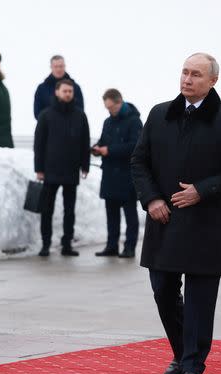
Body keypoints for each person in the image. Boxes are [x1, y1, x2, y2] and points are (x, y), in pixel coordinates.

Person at [131, 53, 221, 374]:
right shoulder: (159, 115)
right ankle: (181, 350)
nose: (187, 79)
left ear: (213, 81)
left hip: (206, 222)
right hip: (164, 219)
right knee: (163, 290)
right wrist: (152, 199)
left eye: (196, 74)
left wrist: (202, 190)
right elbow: (139, 162)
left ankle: (192, 364)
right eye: (185, 72)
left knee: (200, 297)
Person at [34, 78, 90, 256]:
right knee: (47, 209)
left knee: (69, 210)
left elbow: (84, 142)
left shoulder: (80, 115)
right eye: (65, 91)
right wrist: (39, 169)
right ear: (57, 92)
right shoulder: (46, 115)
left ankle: (67, 244)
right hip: (50, 170)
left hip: (71, 169)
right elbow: (39, 144)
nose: (68, 94)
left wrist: (85, 165)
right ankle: (45, 244)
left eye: (70, 91)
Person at [92, 88, 142, 258]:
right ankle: (111, 246)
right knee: (111, 214)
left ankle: (129, 247)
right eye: (107, 108)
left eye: (112, 107)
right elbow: (103, 141)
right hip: (109, 175)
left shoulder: (134, 121)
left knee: (130, 214)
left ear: (120, 102)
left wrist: (109, 150)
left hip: (127, 175)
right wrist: (97, 148)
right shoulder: (108, 122)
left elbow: (135, 146)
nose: (110, 111)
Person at [33, 55, 84, 119]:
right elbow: (37, 113)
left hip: (71, 126)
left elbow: (80, 111)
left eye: (61, 66)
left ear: (65, 66)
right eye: (56, 67)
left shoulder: (75, 87)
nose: (58, 69)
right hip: (49, 126)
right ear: (51, 67)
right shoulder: (41, 89)